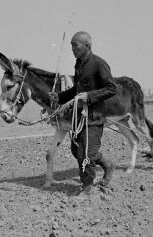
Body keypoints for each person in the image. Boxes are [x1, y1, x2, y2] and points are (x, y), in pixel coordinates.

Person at [48, 31, 117, 197]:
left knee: (86, 154)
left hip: (93, 118)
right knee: (76, 150)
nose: (72, 49)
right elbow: (76, 90)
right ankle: (107, 164)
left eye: (75, 45)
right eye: (71, 45)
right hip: (79, 119)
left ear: (87, 46)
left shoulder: (99, 64)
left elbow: (111, 88)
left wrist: (89, 96)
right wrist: (59, 97)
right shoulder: (79, 64)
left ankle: (87, 188)